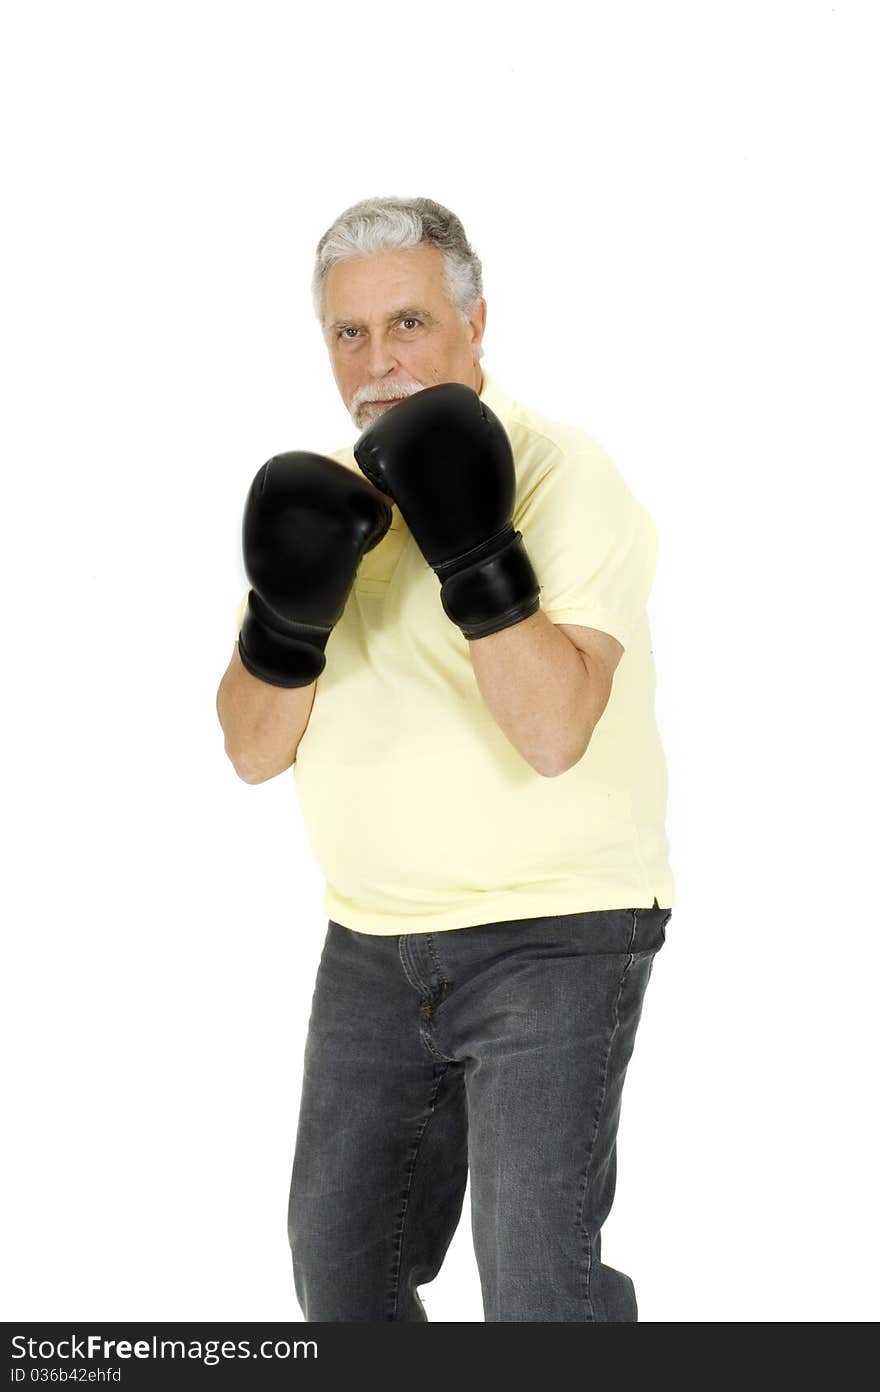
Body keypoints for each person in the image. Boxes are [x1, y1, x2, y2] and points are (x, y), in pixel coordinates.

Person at [215, 195, 675, 1323]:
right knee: (343, 1277)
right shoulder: (322, 499)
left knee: (535, 1286)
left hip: (555, 936)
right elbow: (250, 749)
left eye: (410, 323)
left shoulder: (562, 472)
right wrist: (287, 609)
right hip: (372, 943)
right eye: (349, 333)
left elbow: (555, 730)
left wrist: (473, 540)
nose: (380, 361)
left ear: (476, 325)